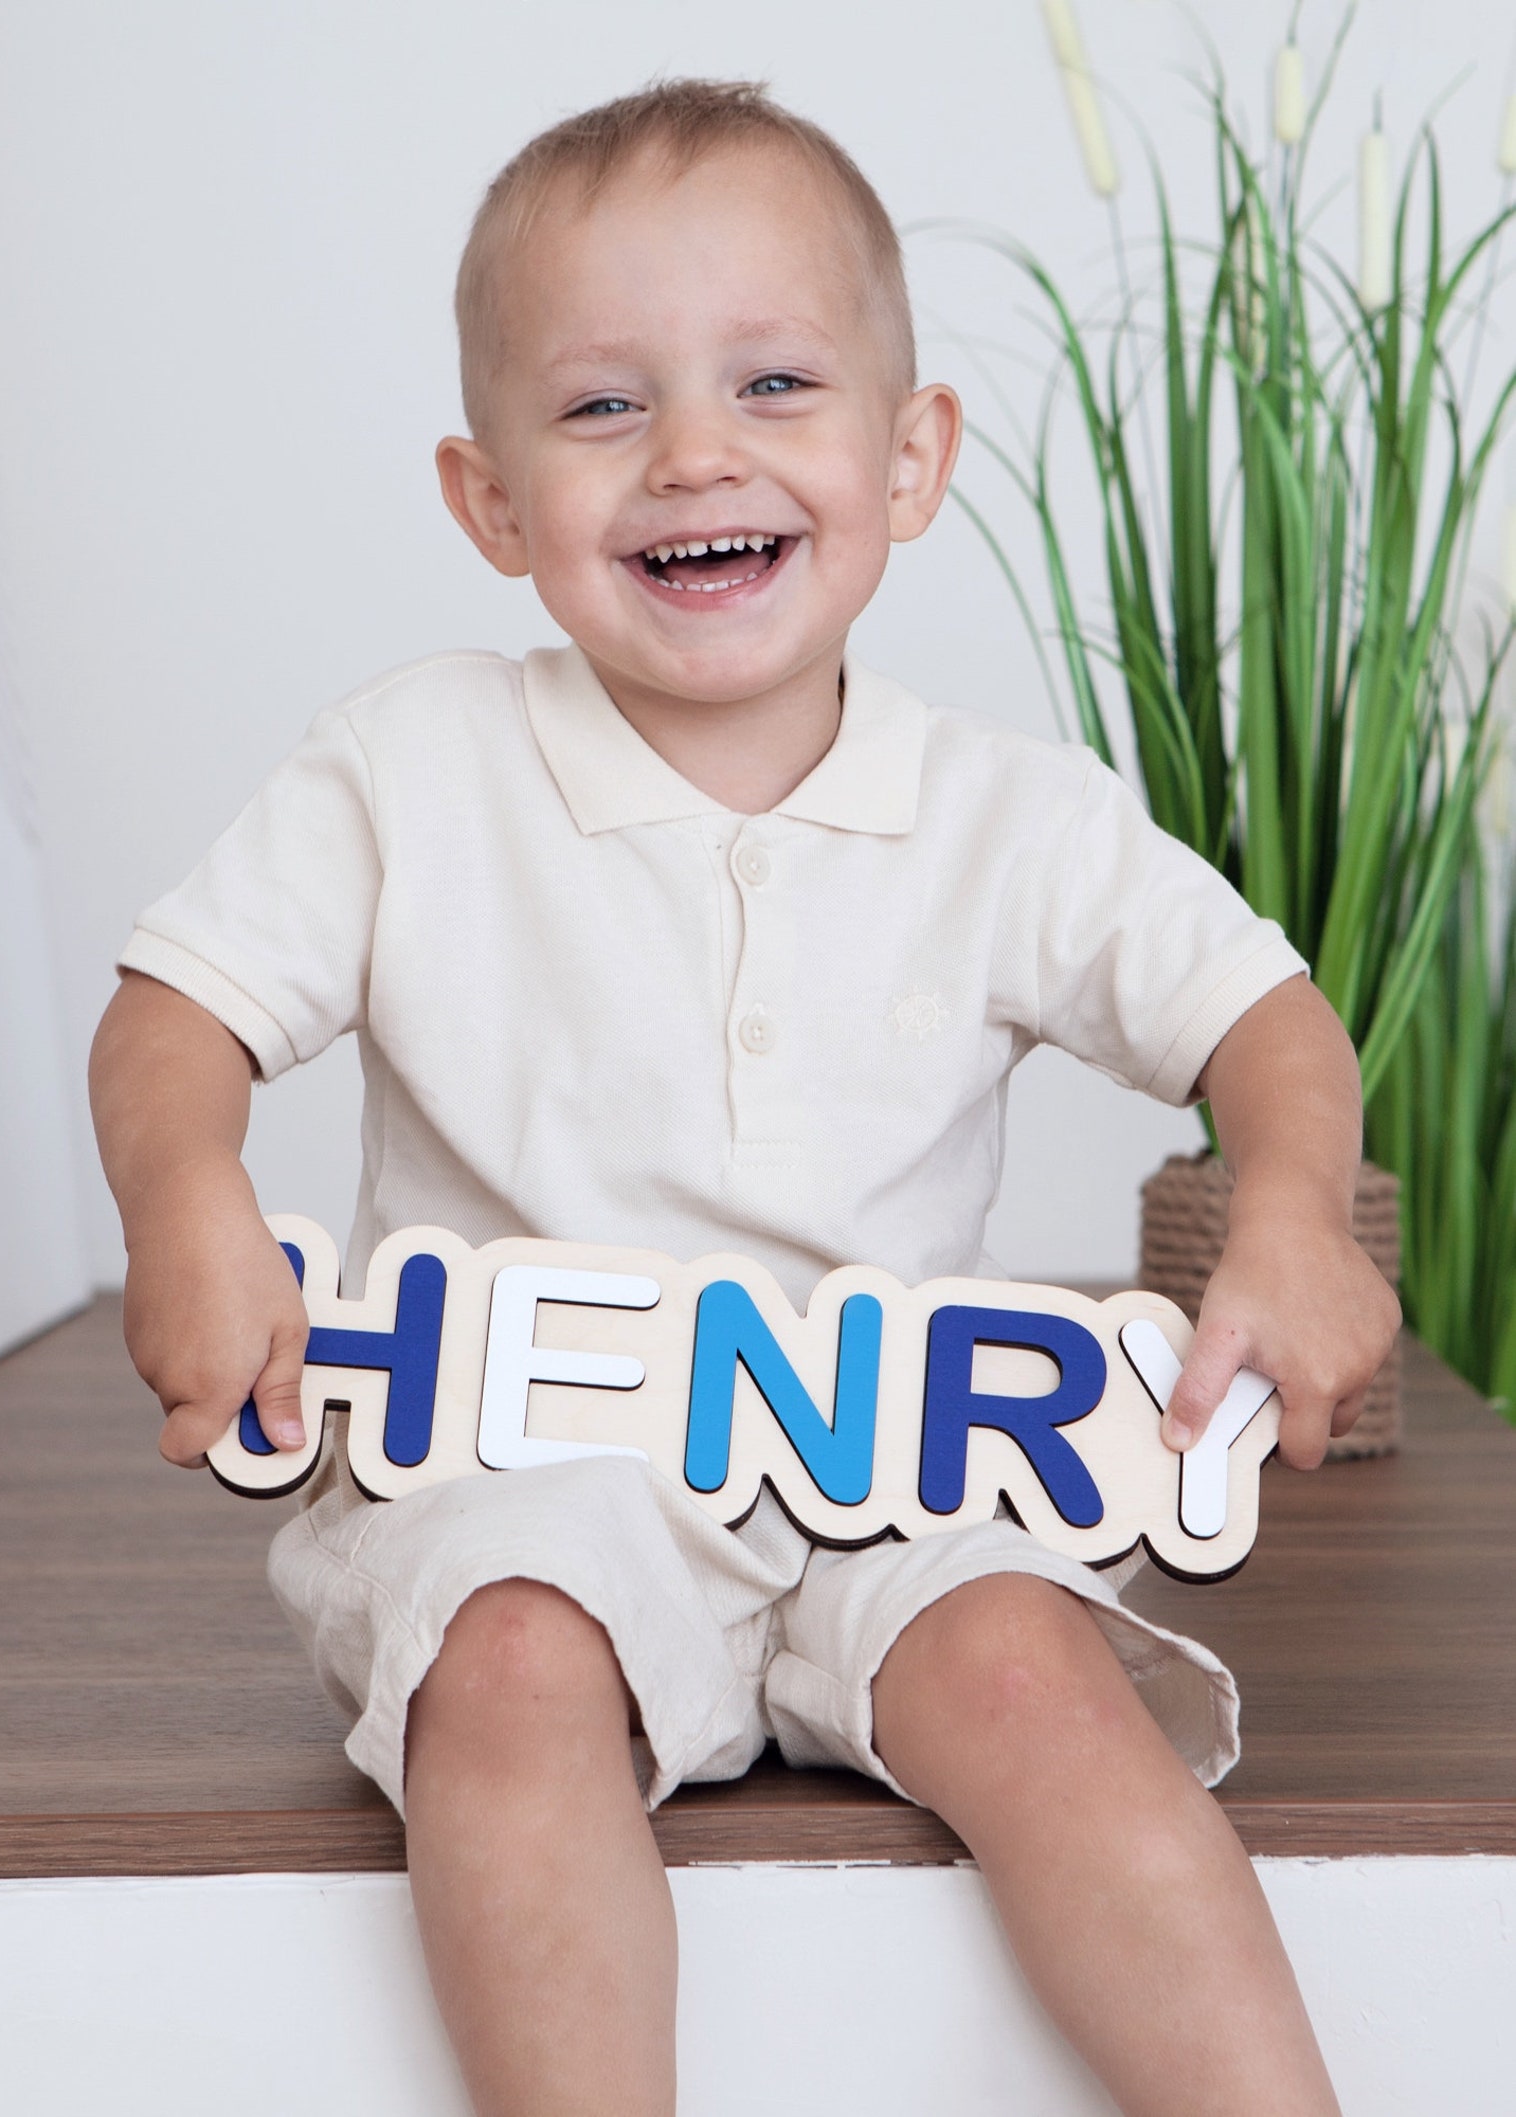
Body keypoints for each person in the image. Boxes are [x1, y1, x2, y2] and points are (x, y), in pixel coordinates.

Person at [89, 79, 1398, 2116]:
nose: (694, 451)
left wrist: (1294, 1210)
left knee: (1032, 1678)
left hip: (888, 1479)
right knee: (512, 1661)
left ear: (908, 454)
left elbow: (1259, 1015)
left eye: (772, 381)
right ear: (491, 502)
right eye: (603, 406)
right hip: (521, 1487)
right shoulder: (409, 767)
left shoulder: (1003, 814)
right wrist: (185, 1197)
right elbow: (176, 1011)